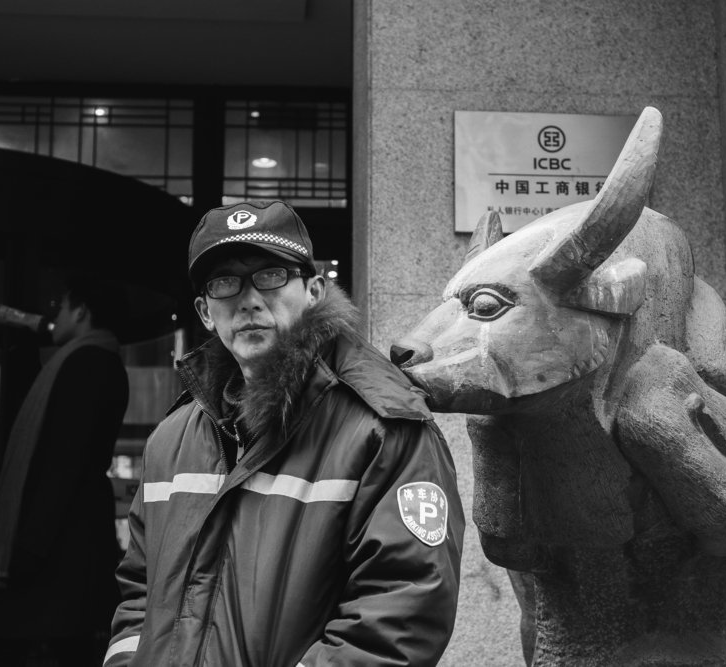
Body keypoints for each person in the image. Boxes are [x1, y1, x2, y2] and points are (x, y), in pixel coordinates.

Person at [104, 200, 465, 667]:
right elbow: (139, 592)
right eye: (225, 282)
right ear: (205, 312)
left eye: (271, 275)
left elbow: (401, 613)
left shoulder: (382, 428)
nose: (249, 298)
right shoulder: (172, 439)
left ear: (313, 290)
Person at [0, 274, 130, 667]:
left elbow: (60, 458)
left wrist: (28, 547)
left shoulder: (87, 363)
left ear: (81, 310)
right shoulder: (93, 360)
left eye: (60, 306)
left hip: (55, 550)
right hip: (66, 548)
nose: (54, 316)